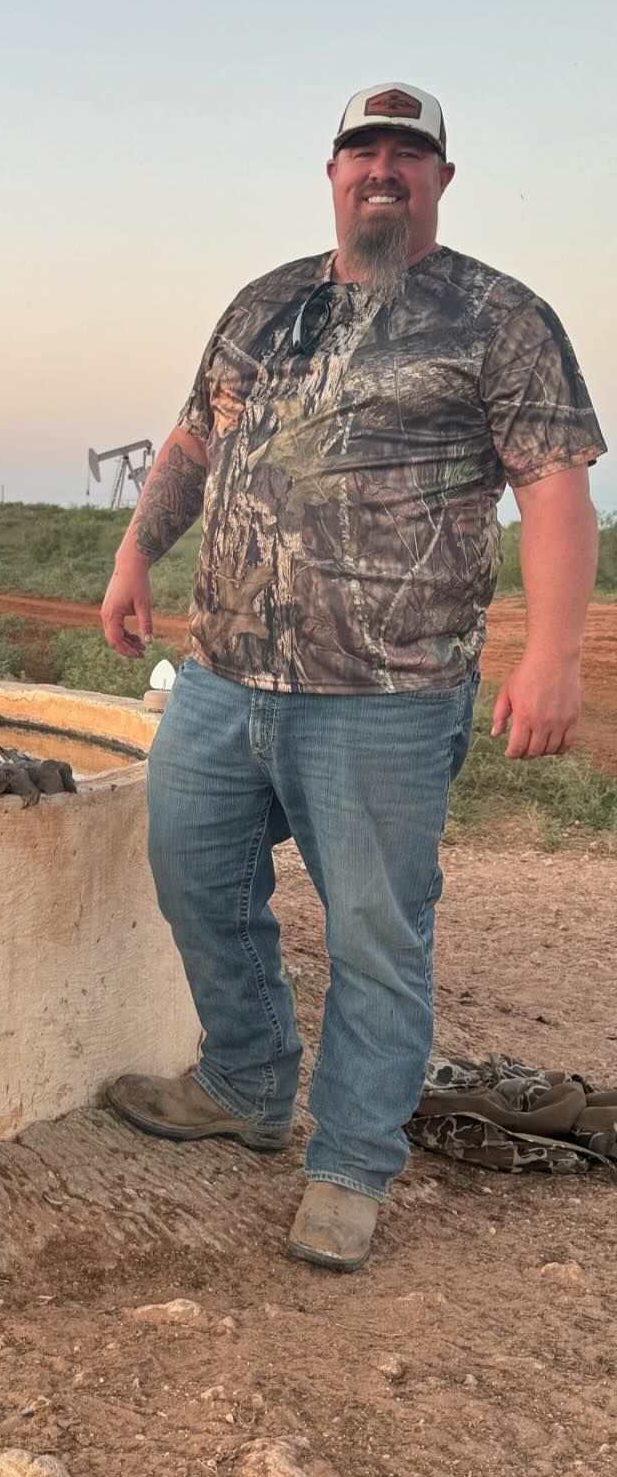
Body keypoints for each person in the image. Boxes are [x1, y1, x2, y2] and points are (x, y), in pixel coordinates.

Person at [100, 82, 605, 1272]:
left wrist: (552, 652)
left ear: (439, 178)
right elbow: (193, 440)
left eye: (407, 154)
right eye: (362, 152)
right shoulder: (265, 304)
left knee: (378, 931)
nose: (383, 170)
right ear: (331, 172)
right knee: (192, 876)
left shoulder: (499, 316)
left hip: (388, 695)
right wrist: (135, 551)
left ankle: (352, 1165)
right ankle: (247, 1085)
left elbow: (555, 486)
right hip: (223, 677)